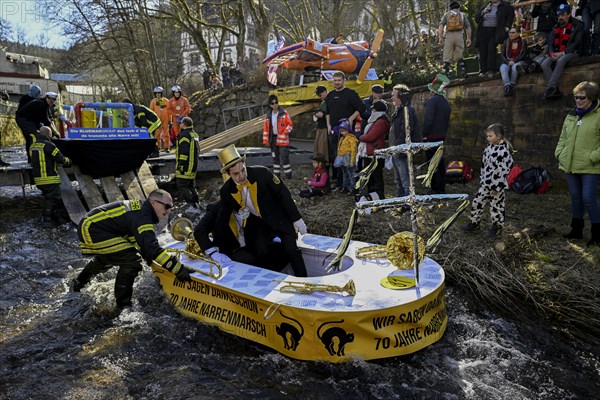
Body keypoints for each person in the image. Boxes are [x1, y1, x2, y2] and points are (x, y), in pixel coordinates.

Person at [72, 189, 194, 310]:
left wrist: (149, 259)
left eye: (170, 207)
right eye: (167, 206)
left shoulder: (141, 211)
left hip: (94, 226)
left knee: (110, 257)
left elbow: (140, 242)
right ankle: (123, 306)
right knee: (132, 261)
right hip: (93, 229)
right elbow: (151, 248)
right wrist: (177, 269)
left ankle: (79, 283)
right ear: (153, 203)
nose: (169, 211)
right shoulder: (142, 216)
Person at [217, 144, 308, 277]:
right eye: (235, 174)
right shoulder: (225, 191)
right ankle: (276, 278)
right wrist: (216, 247)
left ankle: (303, 279)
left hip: (279, 218)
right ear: (228, 174)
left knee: (291, 249)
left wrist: (297, 219)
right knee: (261, 252)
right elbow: (222, 218)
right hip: (258, 225)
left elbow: (283, 194)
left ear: (244, 164)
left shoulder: (262, 173)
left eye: (243, 170)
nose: (241, 176)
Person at [555, 81, 600, 247]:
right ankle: (576, 229)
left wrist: (593, 157)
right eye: (576, 97)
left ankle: (597, 233)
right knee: (575, 197)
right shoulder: (572, 115)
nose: (578, 100)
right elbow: (563, 137)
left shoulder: (598, 115)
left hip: (590, 165)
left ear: (592, 98)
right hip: (570, 163)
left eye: (582, 97)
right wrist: (559, 153)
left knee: (588, 197)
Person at [194, 200, 290, 271]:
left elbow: (263, 224)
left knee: (284, 250)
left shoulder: (250, 204)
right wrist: (213, 253)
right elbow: (199, 230)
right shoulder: (217, 208)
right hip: (232, 250)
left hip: (251, 244)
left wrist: (273, 236)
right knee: (250, 261)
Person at [462, 123, 514, 238]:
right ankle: (474, 223)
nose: (488, 138)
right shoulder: (489, 148)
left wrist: (496, 187)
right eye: (487, 136)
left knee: (496, 206)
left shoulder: (503, 151)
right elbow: (484, 165)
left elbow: (503, 171)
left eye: (490, 136)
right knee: (477, 201)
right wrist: (483, 179)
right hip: (486, 183)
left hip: (496, 185)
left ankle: (497, 227)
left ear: (499, 136)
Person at [325, 71, 366, 188]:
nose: (337, 83)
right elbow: (326, 112)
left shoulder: (350, 94)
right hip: (333, 130)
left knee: (348, 158)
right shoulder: (330, 95)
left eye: (339, 80)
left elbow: (361, 107)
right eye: (335, 80)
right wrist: (328, 125)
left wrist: (351, 119)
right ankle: (340, 183)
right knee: (336, 157)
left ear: (344, 81)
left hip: (347, 132)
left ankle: (352, 184)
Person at [541, 4, 584, 100]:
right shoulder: (556, 27)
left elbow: (577, 42)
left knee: (561, 60)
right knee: (544, 64)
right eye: (559, 15)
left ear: (569, 14)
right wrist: (552, 53)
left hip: (572, 52)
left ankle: (551, 87)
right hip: (556, 52)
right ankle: (554, 89)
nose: (560, 17)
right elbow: (550, 42)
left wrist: (562, 53)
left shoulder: (578, 25)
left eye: (562, 15)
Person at [30, 126, 71, 223]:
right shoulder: (49, 145)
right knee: (54, 199)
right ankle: (47, 220)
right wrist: (69, 161)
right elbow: (61, 159)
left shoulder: (33, 146)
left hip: (38, 180)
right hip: (50, 178)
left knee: (48, 197)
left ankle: (54, 217)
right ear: (49, 134)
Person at [422, 74, 452, 194]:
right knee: (439, 163)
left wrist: (424, 133)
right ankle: (440, 186)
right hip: (441, 136)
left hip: (431, 137)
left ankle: (436, 188)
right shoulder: (445, 103)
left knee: (433, 163)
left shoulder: (432, 101)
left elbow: (428, 120)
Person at [388, 84, 420, 197]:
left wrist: (398, 147)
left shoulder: (407, 111)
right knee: (398, 180)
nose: (391, 97)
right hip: (396, 149)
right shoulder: (399, 110)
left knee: (405, 179)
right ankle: (401, 200)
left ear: (401, 96)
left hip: (401, 150)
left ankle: (407, 202)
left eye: (393, 95)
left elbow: (405, 131)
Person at [357, 100, 389, 201]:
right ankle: (371, 195)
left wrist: (360, 137)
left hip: (376, 152)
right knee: (369, 175)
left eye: (373, 109)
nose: (372, 111)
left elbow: (371, 137)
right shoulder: (376, 120)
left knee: (376, 175)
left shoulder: (381, 122)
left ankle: (378, 195)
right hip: (370, 152)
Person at [15, 92, 59, 163]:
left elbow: (50, 120)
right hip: (23, 119)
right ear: (47, 98)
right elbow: (47, 122)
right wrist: (55, 133)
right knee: (33, 136)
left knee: (37, 134)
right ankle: (33, 159)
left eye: (53, 101)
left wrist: (56, 132)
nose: (52, 102)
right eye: (51, 100)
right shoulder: (41, 104)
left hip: (31, 120)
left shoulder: (46, 105)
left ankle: (34, 158)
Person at [475, 0, 515, 77]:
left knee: (491, 48)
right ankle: (483, 70)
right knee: (482, 49)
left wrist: (507, 27)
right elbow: (477, 18)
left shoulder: (505, 6)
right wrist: (484, 11)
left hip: (495, 31)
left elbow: (510, 16)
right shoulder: (486, 5)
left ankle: (491, 70)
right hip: (483, 31)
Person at [438, 0, 472, 78]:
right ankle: (463, 71)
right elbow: (468, 27)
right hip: (459, 35)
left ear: (450, 8)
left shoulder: (447, 15)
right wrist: (468, 38)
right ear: (458, 7)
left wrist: (440, 37)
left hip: (449, 36)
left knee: (447, 55)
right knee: (459, 55)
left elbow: (441, 26)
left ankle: (446, 74)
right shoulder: (462, 15)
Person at [262, 94, 294, 178]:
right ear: (270, 105)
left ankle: (288, 174)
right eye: (272, 103)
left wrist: (285, 132)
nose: (275, 104)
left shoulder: (284, 113)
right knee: (275, 157)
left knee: (284, 157)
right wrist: (266, 141)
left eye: (276, 102)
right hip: (273, 139)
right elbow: (266, 129)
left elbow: (290, 125)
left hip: (283, 139)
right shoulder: (268, 116)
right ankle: (276, 174)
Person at [175, 117, 200, 207]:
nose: (180, 125)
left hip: (186, 166)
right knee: (191, 185)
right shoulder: (194, 134)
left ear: (184, 124)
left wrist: (181, 166)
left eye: (181, 123)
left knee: (182, 185)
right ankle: (197, 203)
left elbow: (184, 152)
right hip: (193, 166)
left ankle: (191, 205)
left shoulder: (184, 135)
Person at [499, 27, 528, 97]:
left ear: (518, 33)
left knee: (515, 67)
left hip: (519, 61)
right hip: (507, 62)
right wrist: (508, 62)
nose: (511, 34)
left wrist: (514, 61)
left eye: (513, 32)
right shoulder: (506, 42)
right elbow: (502, 55)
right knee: (503, 68)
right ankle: (507, 86)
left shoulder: (523, 42)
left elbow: (523, 55)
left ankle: (512, 84)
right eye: (510, 33)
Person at [334, 118, 359, 195]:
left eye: (343, 130)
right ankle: (345, 186)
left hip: (348, 157)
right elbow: (339, 148)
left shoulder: (352, 139)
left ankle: (353, 188)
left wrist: (352, 161)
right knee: (345, 173)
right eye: (341, 131)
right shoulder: (341, 138)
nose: (342, 132)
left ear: (348, 130)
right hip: (342, 157)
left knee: (351, 173)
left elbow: (353, 150)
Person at [149, 86, 172, 152]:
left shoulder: (166, 100)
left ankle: (167, 147)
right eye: (156, 93)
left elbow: (169, 111)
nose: (158, 94)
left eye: (159, 93)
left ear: (161, 93)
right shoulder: (153, 101)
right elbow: (151, 111)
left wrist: (170, 120)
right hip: (157, 121)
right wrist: (152, 121)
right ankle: (158, 147)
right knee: (157, 135)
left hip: (165, 120)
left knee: (166, 134)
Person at [312, 86, 329, 164]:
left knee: (323, 149)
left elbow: (332, 113)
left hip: (325, 128)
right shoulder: (323, 102)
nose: (319, 97)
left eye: (320, 95)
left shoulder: (330, 101)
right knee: (318, 148)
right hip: (321, 127)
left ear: (325, 92)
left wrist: (323, 115)